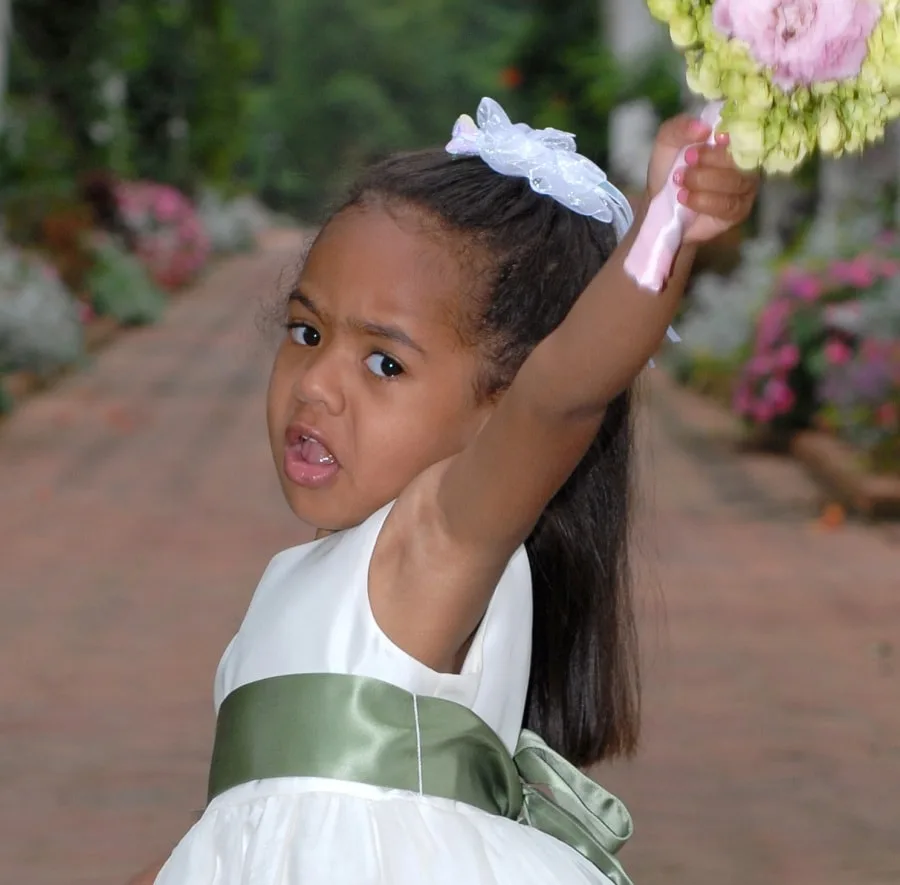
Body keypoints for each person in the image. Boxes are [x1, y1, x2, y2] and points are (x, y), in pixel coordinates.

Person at [130, 98, 757, 885]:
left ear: (497, 405)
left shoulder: (435, 543)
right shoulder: (288, 583)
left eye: (384, 363)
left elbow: (561, 392)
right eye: (306, 333)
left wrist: (669, 222)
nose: (316, 385)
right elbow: (243, 825)